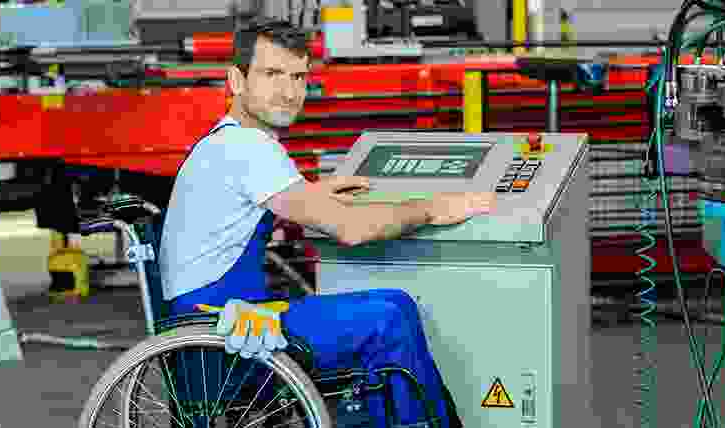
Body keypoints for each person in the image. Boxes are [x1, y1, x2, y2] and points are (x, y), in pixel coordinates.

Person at [158, 16, 494, 428]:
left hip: (214, 327)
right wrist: (433, 209)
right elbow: (353, 230)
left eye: (298, 76)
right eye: (272, 74)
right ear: (237, 79)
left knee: (393, 305)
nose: (288, 91)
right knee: (388, 319)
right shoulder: (248, 149)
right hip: (224, 338)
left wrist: (315, 192)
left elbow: (271, 199)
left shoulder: (226, 141)